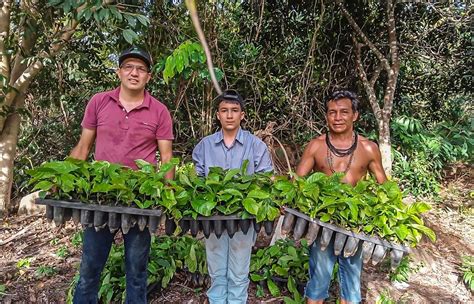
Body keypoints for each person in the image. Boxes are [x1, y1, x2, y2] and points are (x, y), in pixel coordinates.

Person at [69, 46, 174, 303]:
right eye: (128, 67)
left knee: (137, 273)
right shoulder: (99, 102)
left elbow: (167, 158)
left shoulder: (159, 111)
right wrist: (60, 180)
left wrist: (167, 197)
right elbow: (83, 148)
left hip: (139, 201)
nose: (134, 73)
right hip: (100, 198)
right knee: (89, 270)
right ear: (119, 72)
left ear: (149, 76)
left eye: (140, 69)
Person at [296, 90, 387, 304]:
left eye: (344, 112)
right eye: (332, 112)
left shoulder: (368, 148)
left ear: (354, 115)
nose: (337, 118)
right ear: (326, 116)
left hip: (355, 226)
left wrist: (389, 215)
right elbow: (297, 183)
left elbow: (385, 187)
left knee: (352, 287)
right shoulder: (316, 146)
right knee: (317, 284)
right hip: (321, 223)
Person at [192, 89, 273, 303]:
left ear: (242, 115)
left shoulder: (256, 146)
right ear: (217, 115)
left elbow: (265, 181)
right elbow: (197, 182)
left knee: (239, 272)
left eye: (234, 110)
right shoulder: (204, 146)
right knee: (216, 270)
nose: (229, 115)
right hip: (214, 218)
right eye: (224, 110)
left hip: (244, 218)